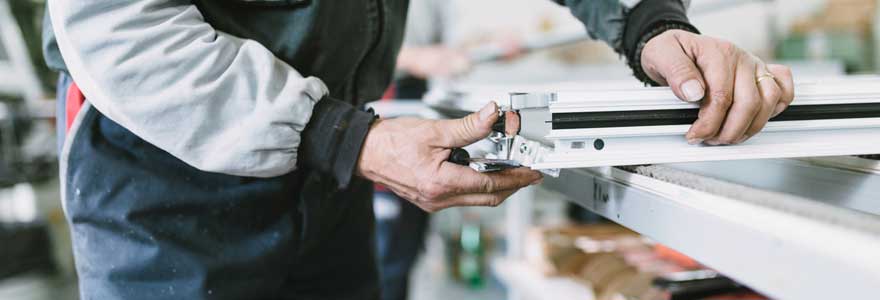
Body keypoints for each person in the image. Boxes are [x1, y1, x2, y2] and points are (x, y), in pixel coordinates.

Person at [41, 0, 794, 299]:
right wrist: (342, 136)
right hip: (166, 184)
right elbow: (117, 23)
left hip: (325, 180)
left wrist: (649, 25)